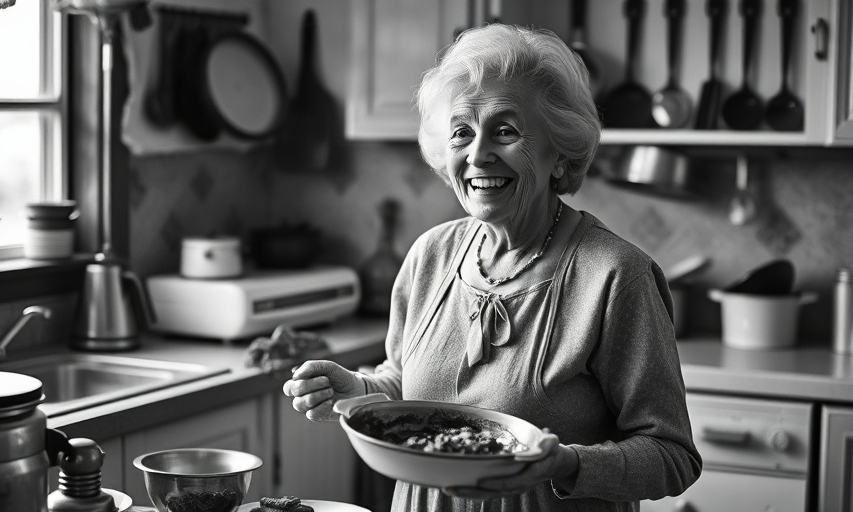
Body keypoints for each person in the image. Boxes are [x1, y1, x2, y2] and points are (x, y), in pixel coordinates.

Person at [283, 23, 701, 511]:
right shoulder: (429, 256)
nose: (478, 154)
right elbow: (405, 386)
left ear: (560, 154)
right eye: (462, 132)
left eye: (506, 130)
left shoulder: (614, 276)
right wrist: (357, 390)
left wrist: (565, 465)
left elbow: (672, 456)